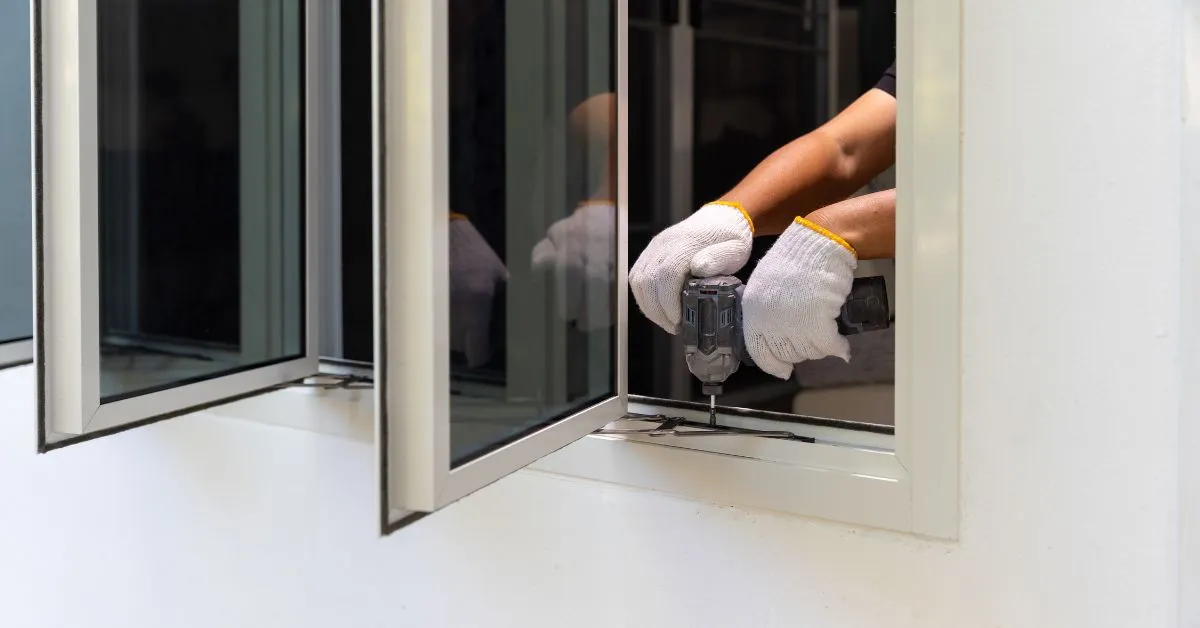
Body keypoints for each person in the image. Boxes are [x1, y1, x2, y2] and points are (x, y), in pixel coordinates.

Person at [630, 61, 899, 381]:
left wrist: (835, 232)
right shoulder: (936, 39)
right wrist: (729, 213)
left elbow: (976, 201)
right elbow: (846, 149)